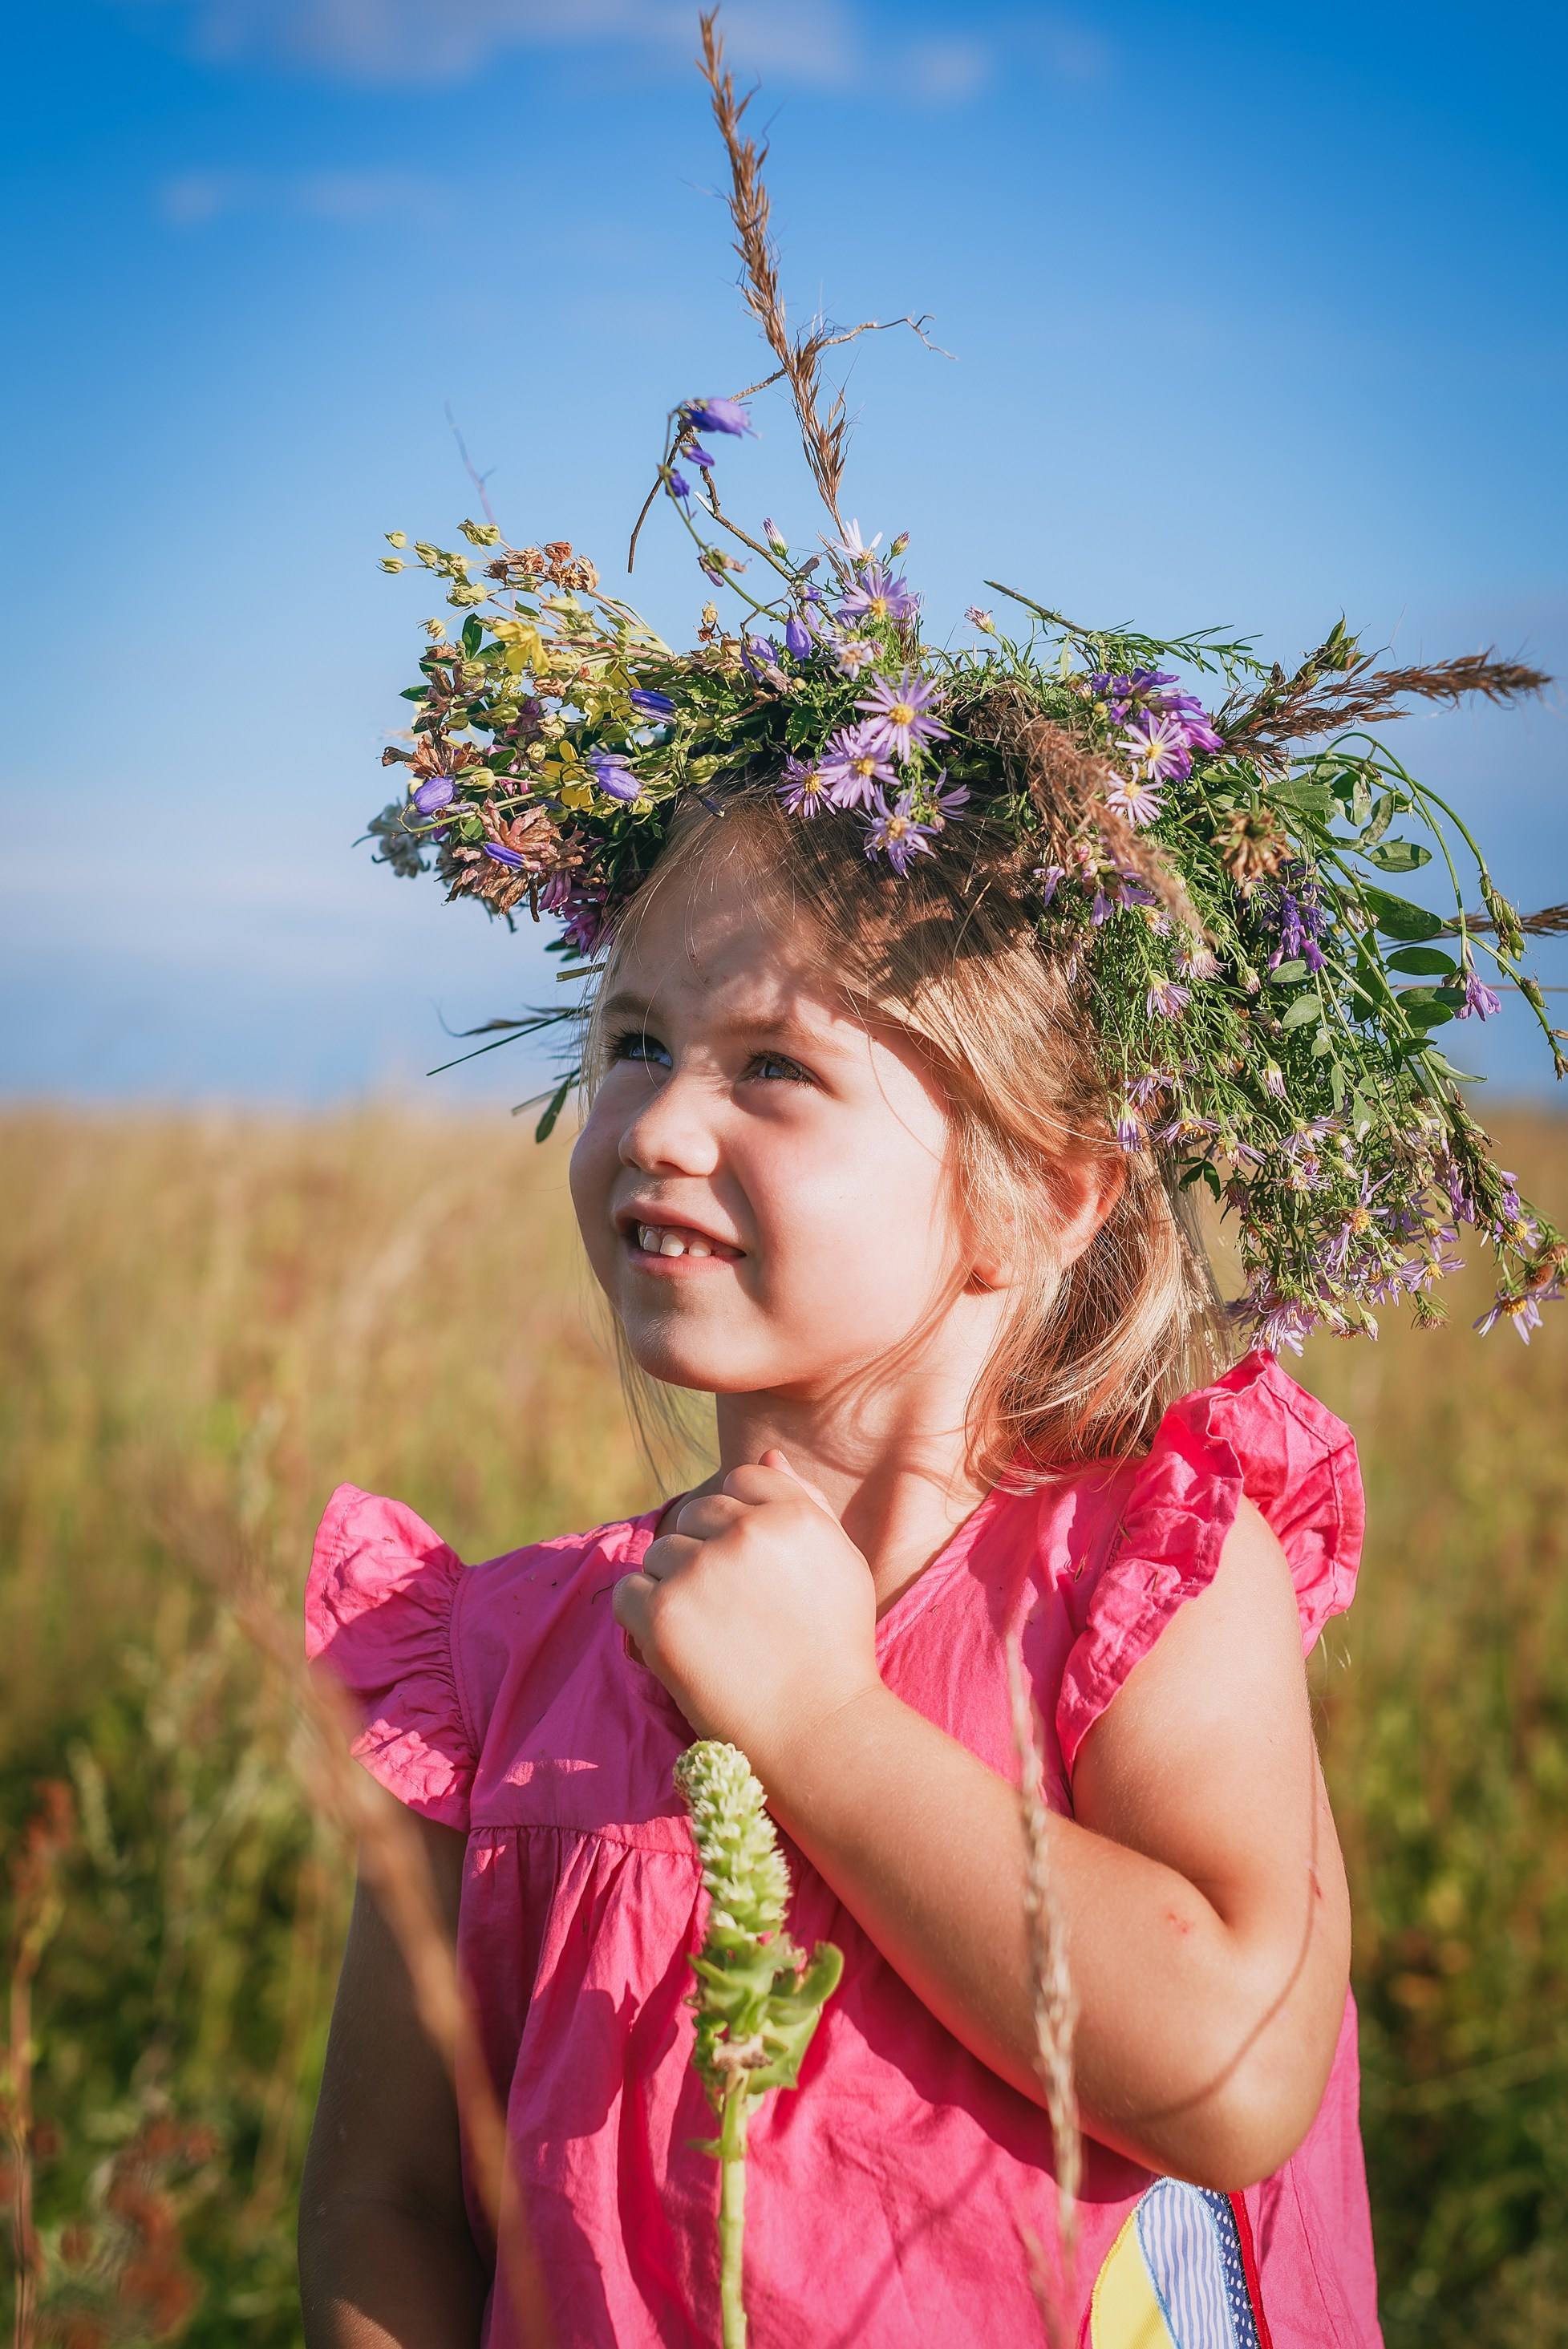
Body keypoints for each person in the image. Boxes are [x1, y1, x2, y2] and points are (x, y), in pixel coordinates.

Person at [298, 788, 1384, 2349]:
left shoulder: (1134, 1577)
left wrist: (820, 1722)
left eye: (776, 1067)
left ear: (1044, 1188)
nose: (661, 1123)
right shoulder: (491, 1664)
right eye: (636, 1045)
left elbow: (1235, 2070)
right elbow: (383, 2197)